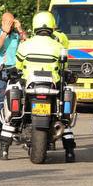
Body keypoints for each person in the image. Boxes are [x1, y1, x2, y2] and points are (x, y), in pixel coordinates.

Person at [15, 10, 76, 162]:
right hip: (52, 87)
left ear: (35, 25)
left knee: (19, 105)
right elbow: (64, 66)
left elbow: (18, 66)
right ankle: (69, 150)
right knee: (62, 115)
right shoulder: (58, 46)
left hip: (31, 87)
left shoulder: (25, 45)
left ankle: (7, 141)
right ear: (51, 26)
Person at [0, 12, 27, 146]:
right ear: (2, 22)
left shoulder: (16, 35)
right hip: (2, 71)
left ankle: (15, 129)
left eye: (12, 22)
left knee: (16, 100)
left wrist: (20, 29)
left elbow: (27, 44)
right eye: (8, 22)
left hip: (15, 71)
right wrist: (4, 33)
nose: (10, 25)